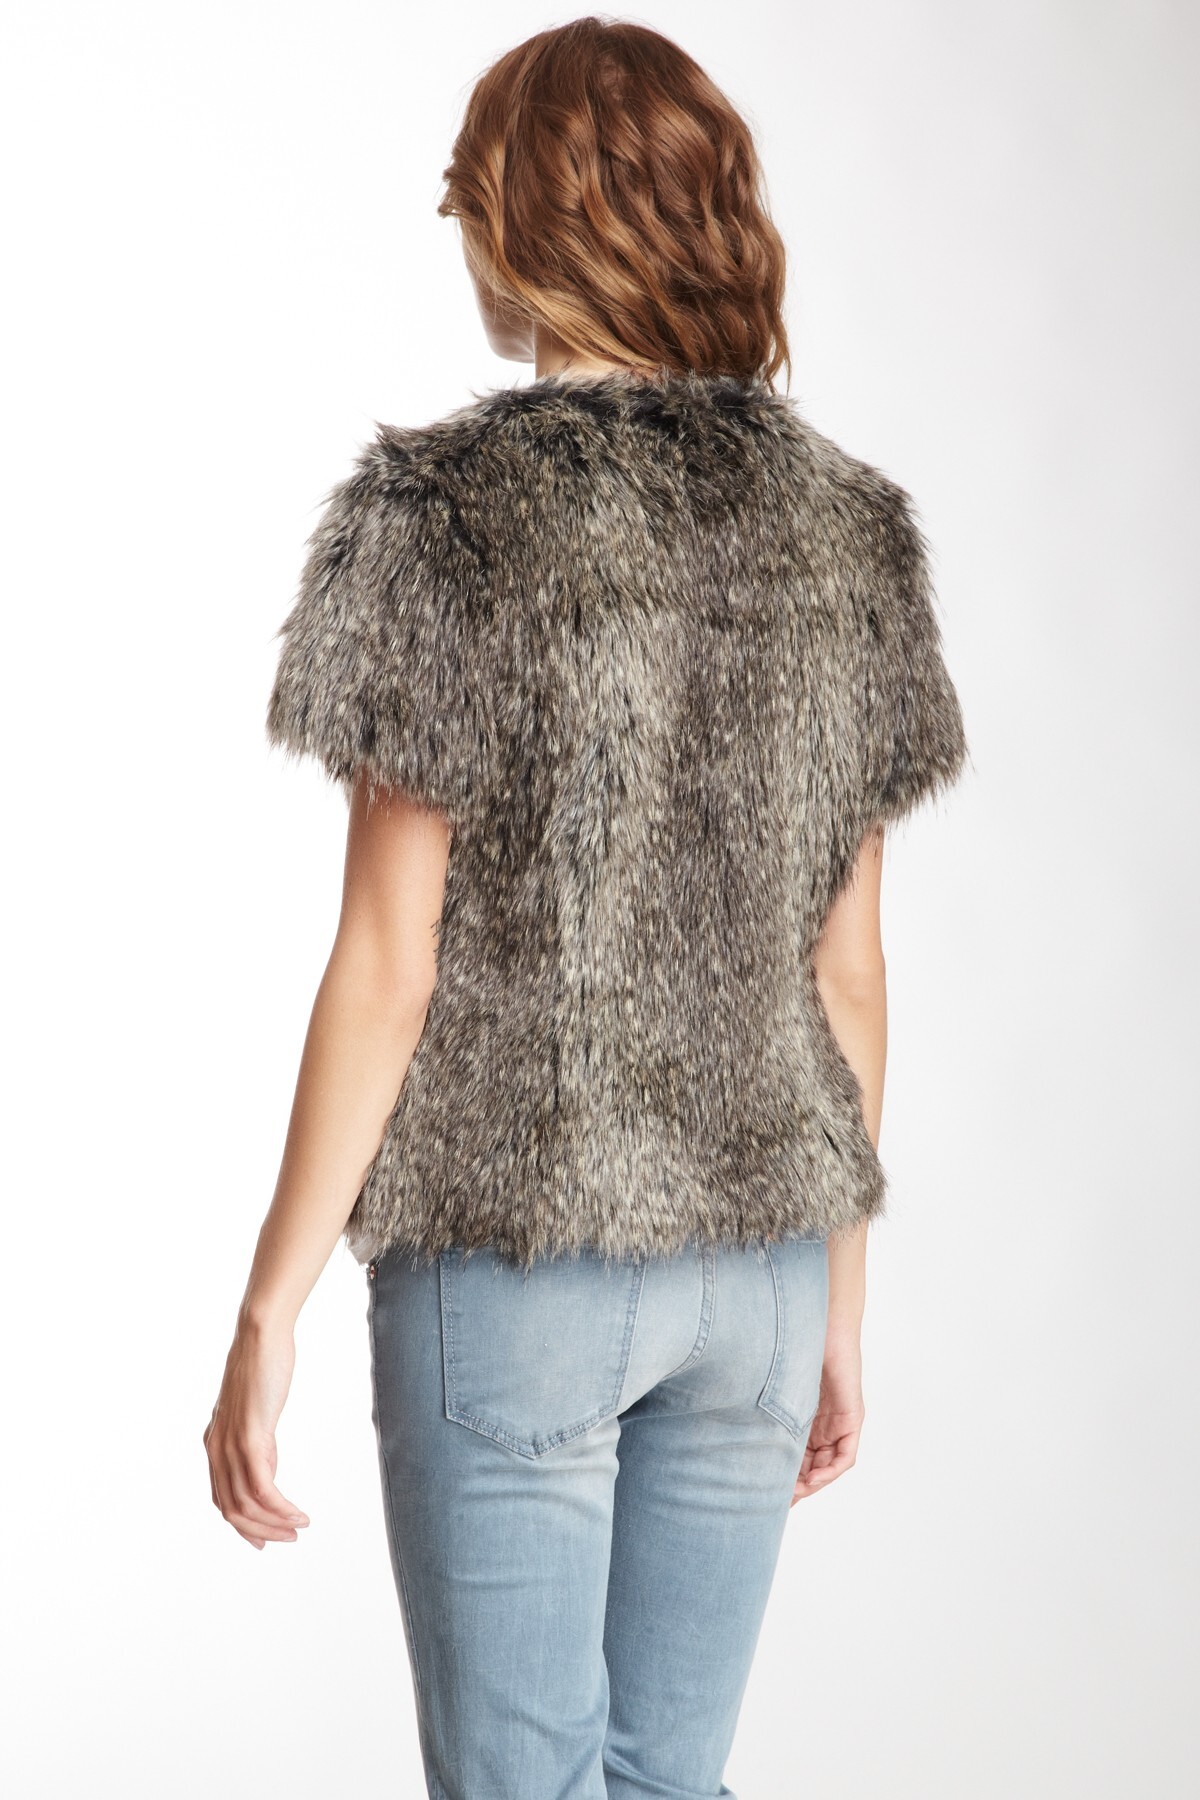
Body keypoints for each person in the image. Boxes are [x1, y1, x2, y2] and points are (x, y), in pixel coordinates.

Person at [203, 17, 968, 1799]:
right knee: (669, 1786)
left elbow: (388, 966)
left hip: (517, 1261)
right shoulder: (854, 534)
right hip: (761, 1274)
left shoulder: (442, 515)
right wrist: (839, 1302)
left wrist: (269, 1307)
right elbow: (849, 975)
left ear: (518, 224)